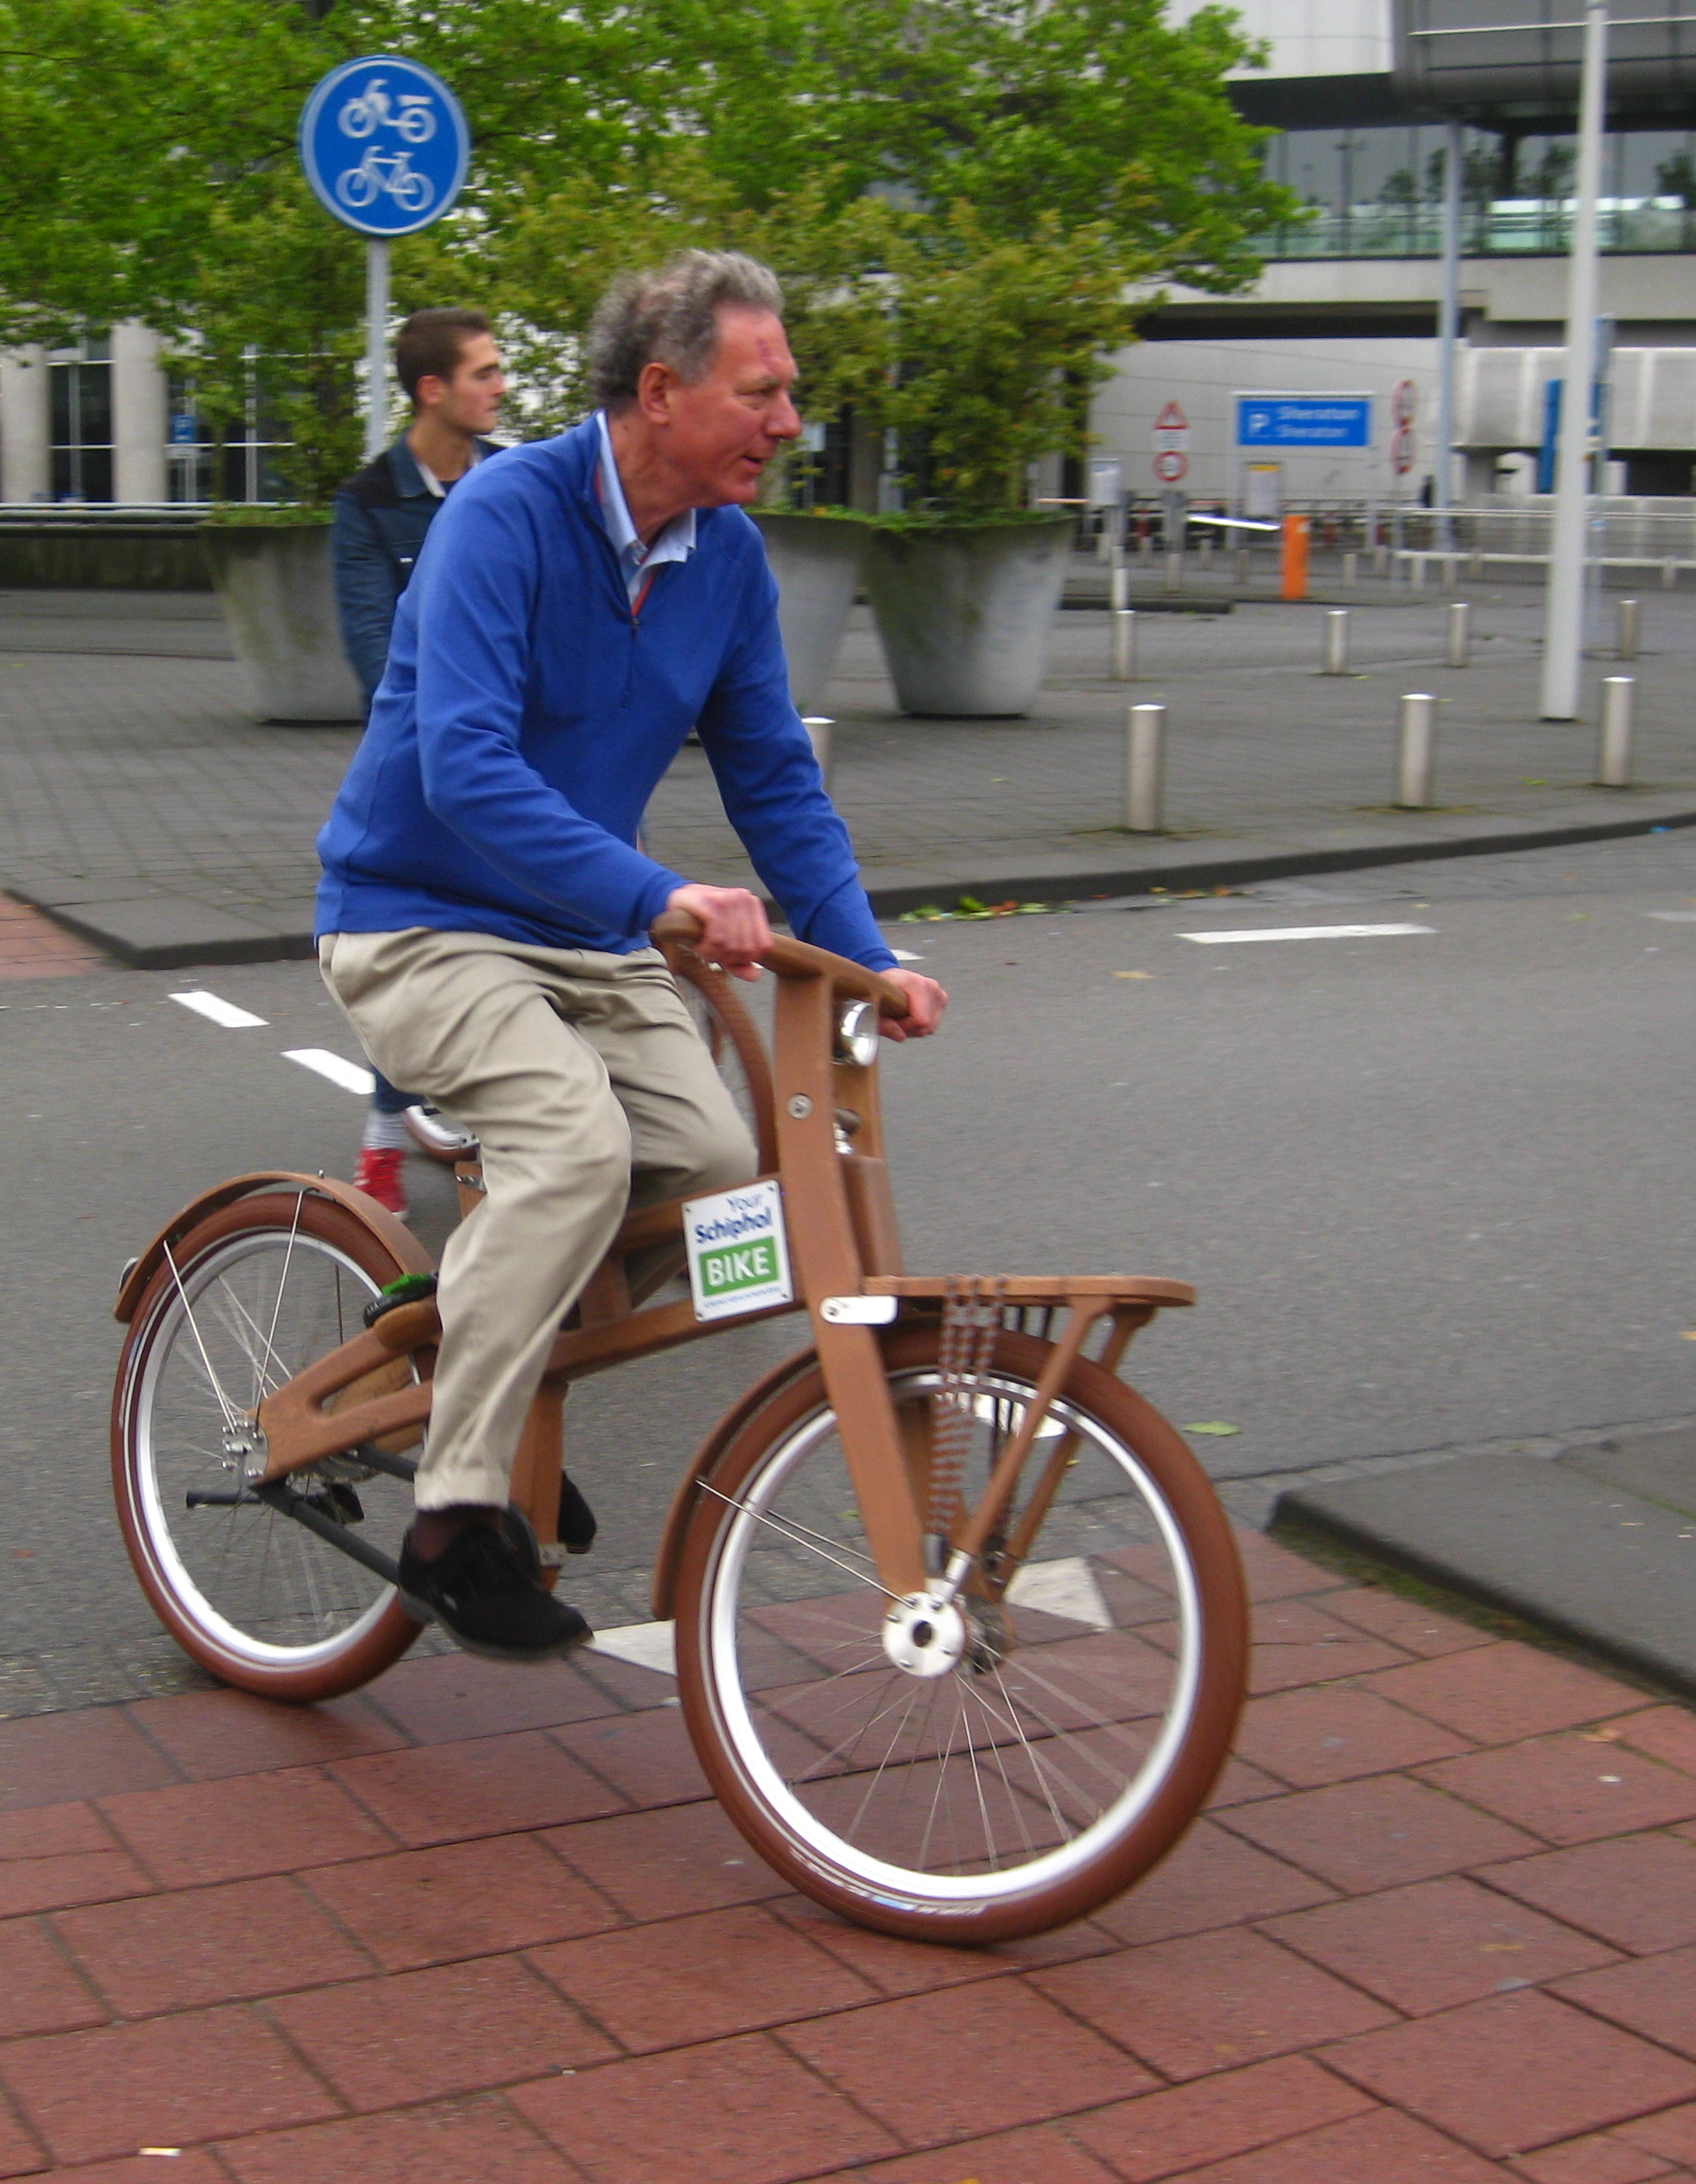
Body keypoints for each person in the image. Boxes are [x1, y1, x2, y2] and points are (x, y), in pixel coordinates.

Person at [315, 251, 947, 1659]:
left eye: (793, 394)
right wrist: (662, 892)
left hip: (585, 936)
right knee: (577, 1152)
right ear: (660, 391)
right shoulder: (504, 515)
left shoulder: (726, 561)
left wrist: (870, 958)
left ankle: (489, 1333)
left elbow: (776, 781)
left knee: (726, 1181)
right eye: (763, 391)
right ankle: (454, 1510)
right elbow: (464, 768)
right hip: (418, 917)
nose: (791, 423)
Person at [332, 308, 510, 1212]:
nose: (501, 386)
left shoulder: (514, 484)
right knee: (418, 943)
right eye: (483, 372)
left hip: (516, 754)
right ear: (432, 390)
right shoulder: (368, 507)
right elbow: (372, 647)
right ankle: (380, 1149)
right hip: (422, 765)